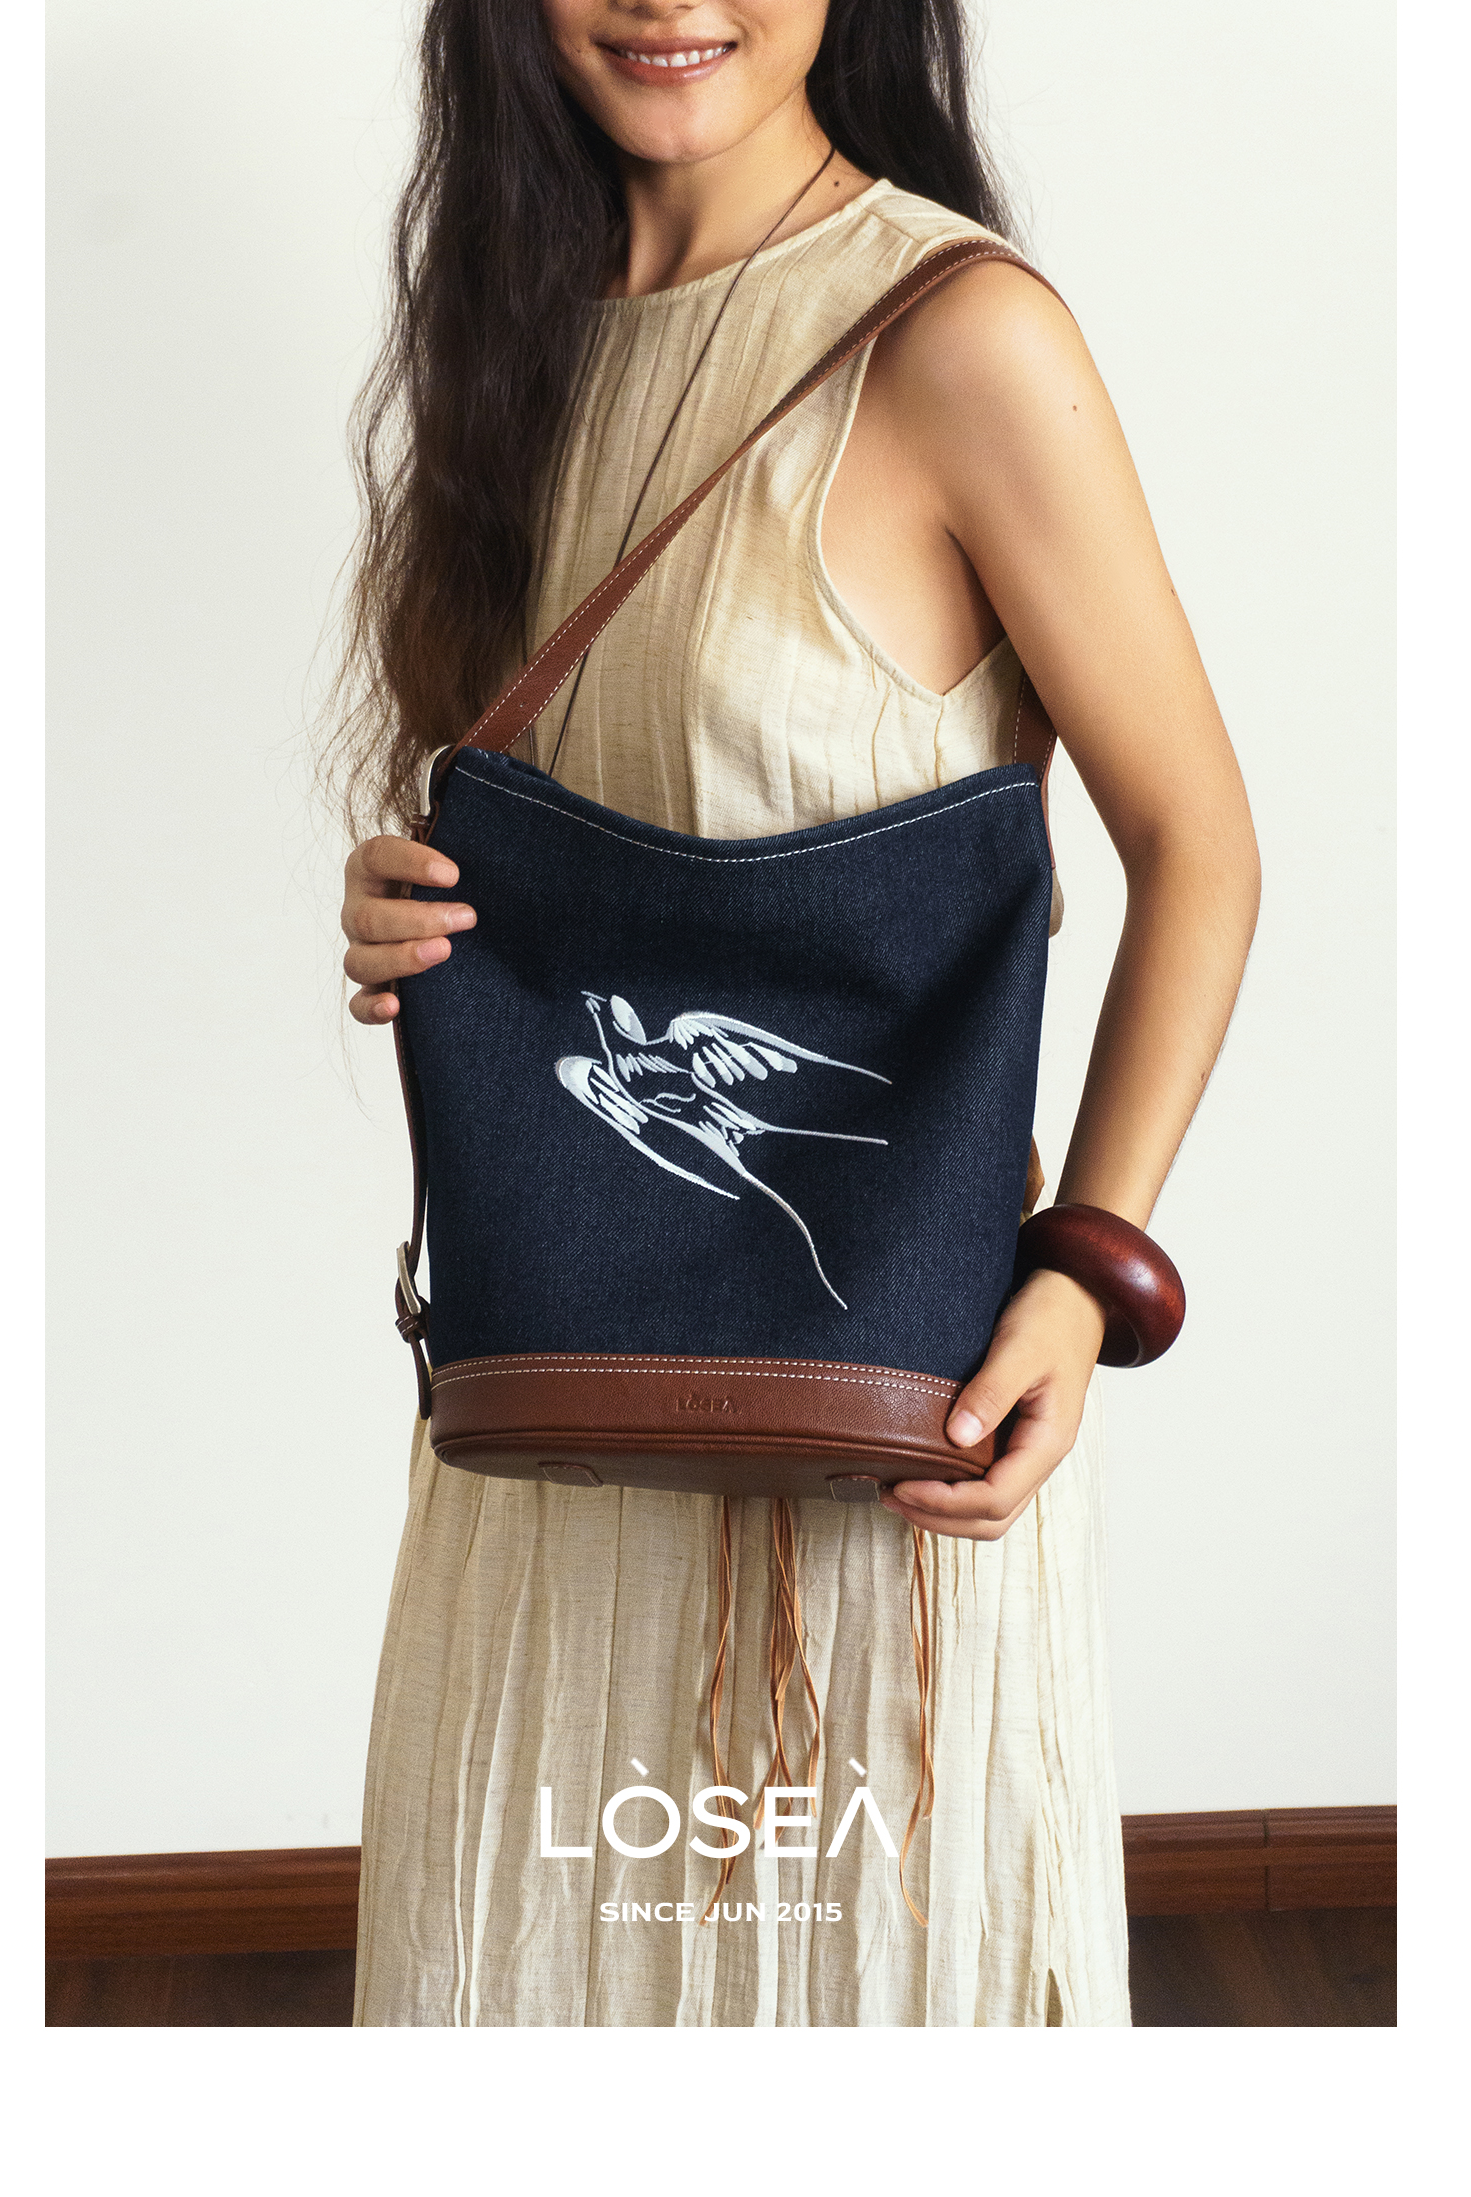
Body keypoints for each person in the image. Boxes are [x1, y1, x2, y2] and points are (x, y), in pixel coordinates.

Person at [330, 0, 1260, 2027]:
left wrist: (1089, 1272)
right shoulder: (514, 335)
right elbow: (564, 841)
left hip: (877, 1436)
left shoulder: (952, 334)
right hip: (552, 1420)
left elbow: (1198, 840)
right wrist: (410, 899)